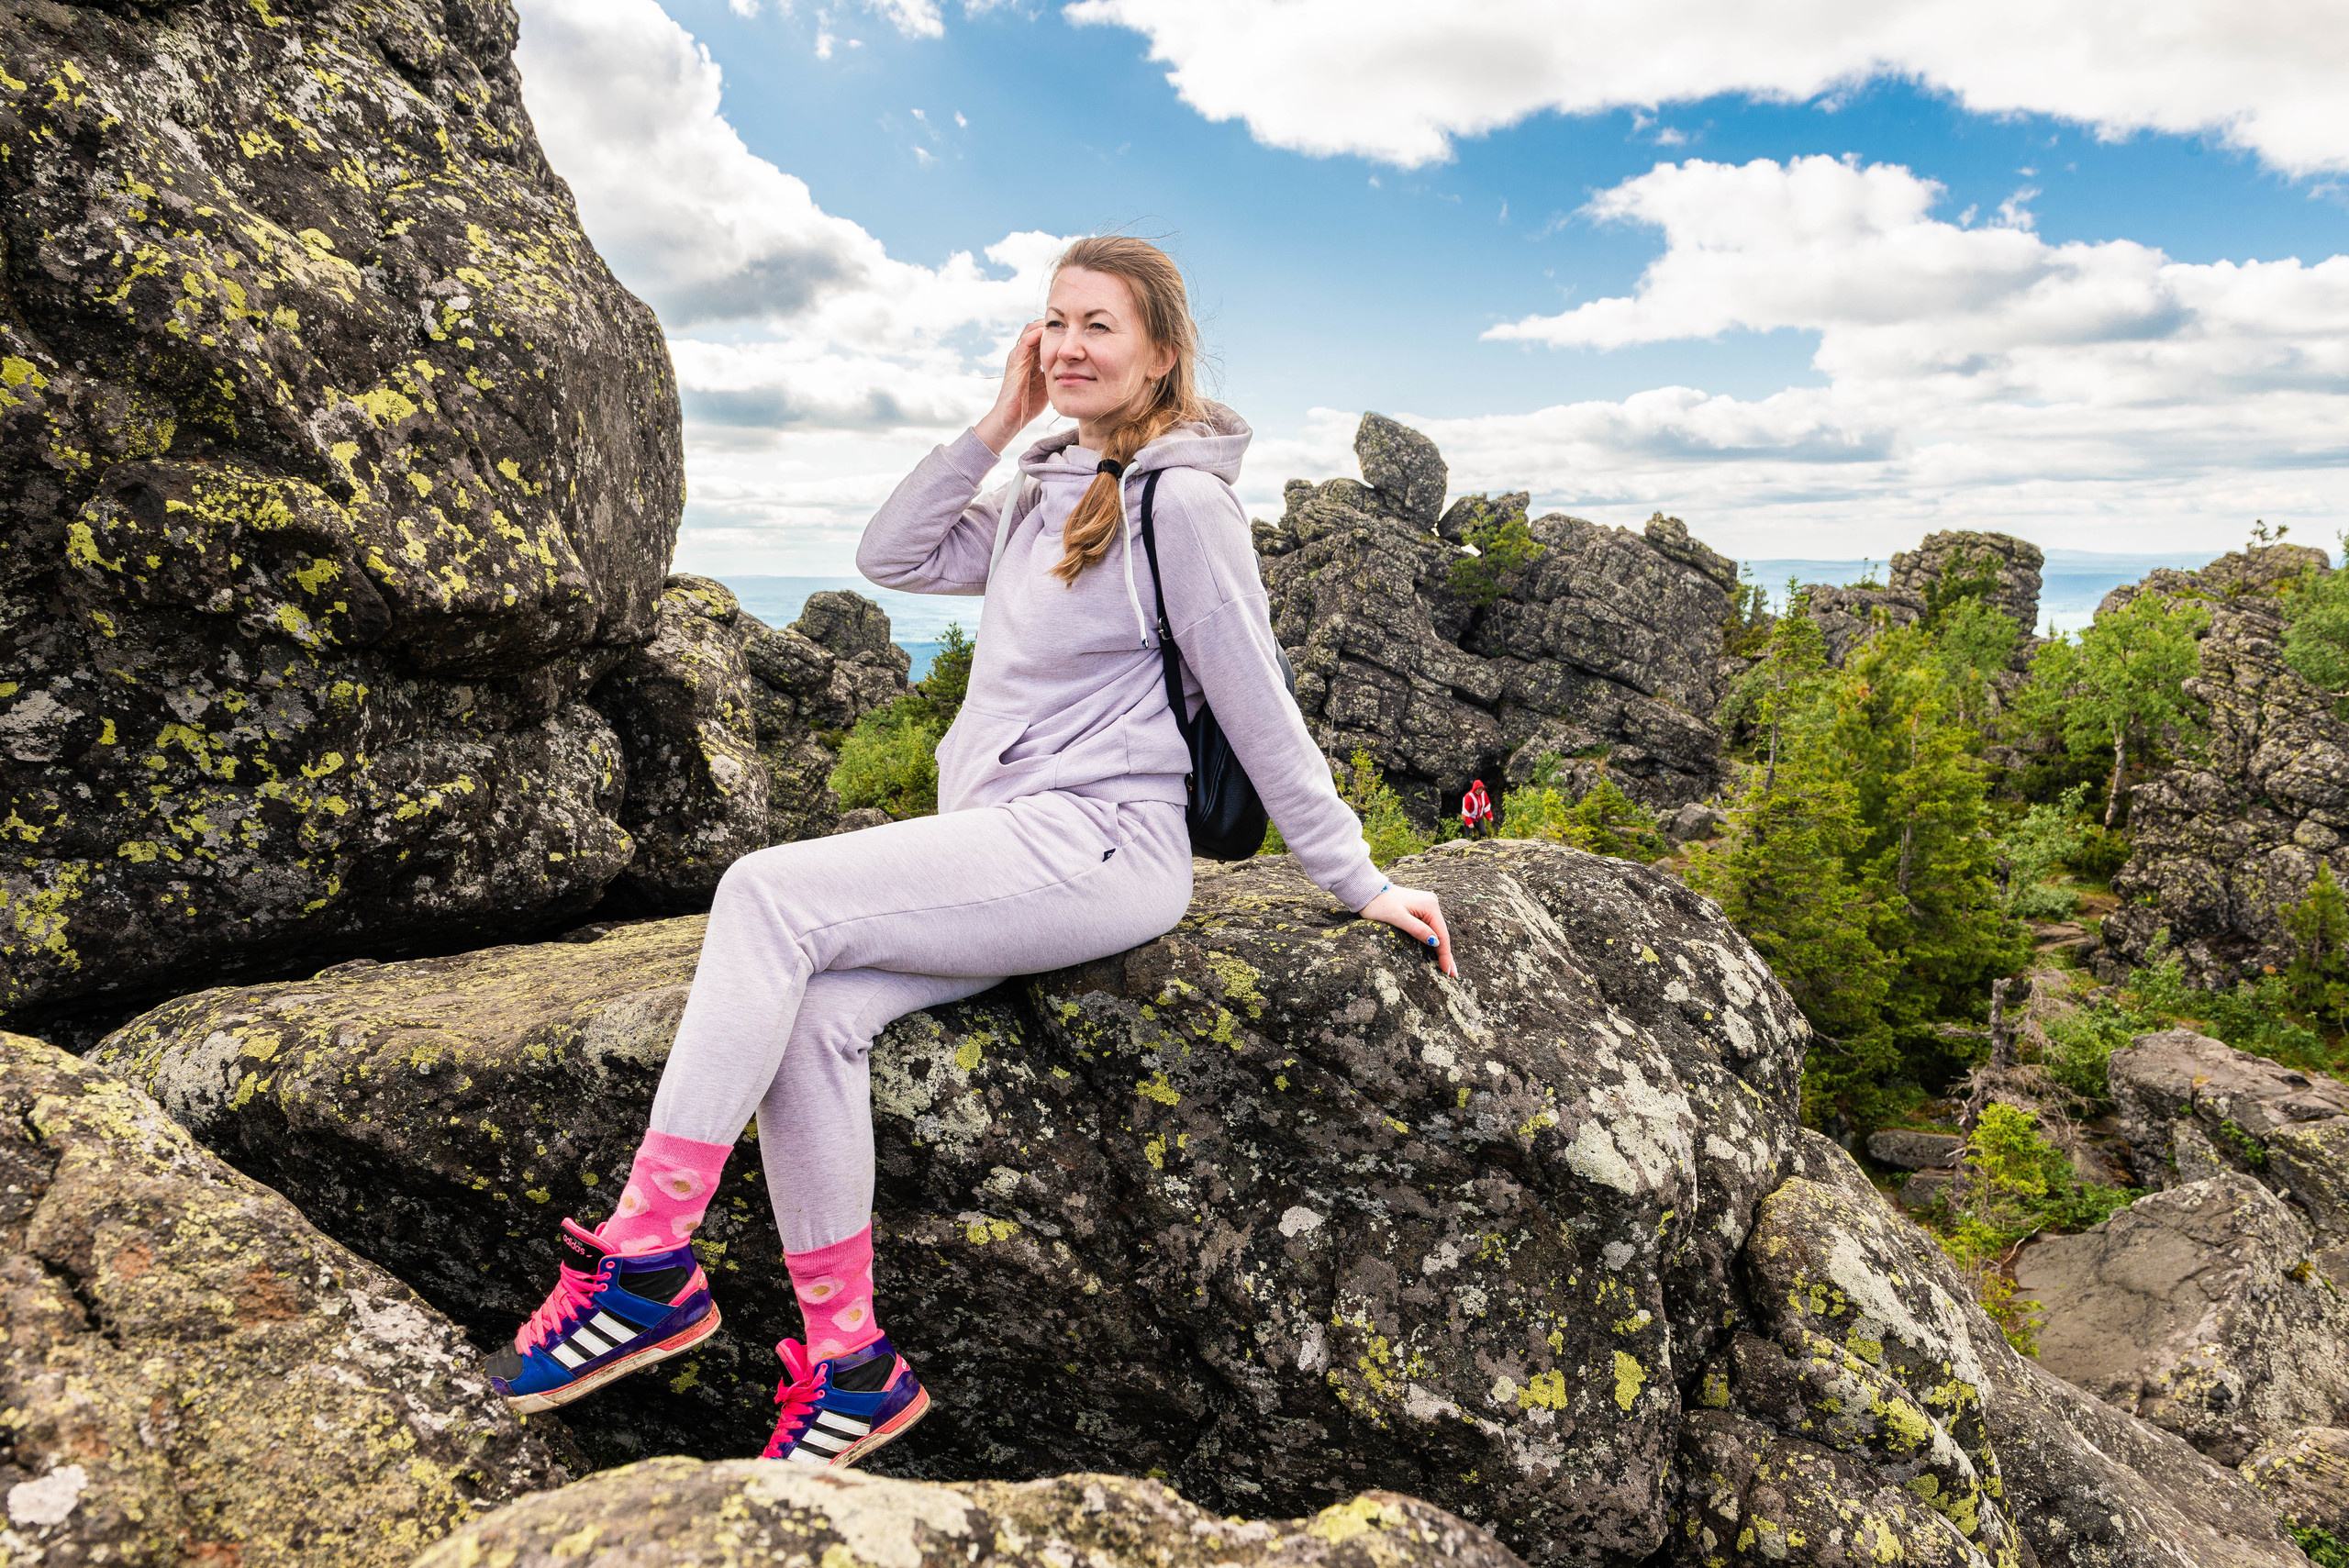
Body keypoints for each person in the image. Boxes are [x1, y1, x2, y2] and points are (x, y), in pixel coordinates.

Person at [485, 236, 1459, 1468]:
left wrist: (1356, 877)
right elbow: (888, 555)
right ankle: (850, 1366)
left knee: (763, 896)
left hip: (1104, 848)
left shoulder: (1187, 502)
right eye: (1054, 322)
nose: (1068, 345)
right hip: (1004, 844)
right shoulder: (1041, 487)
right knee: (818, 1015)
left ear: (1162, 352)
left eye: (1099, 325)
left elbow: (1257, 699)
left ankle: (643, 1259)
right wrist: (1000, 421)